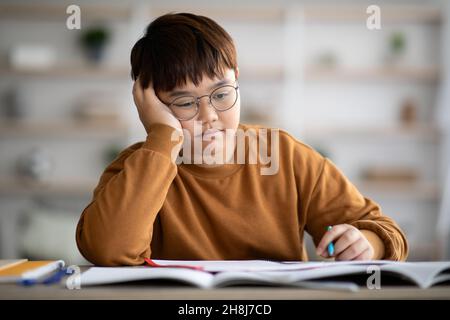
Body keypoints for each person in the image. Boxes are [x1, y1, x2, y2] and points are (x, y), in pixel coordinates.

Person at [76, 13, 408, 266]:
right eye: (185, 102)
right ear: (152, 106)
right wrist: (162, 138)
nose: (209, 116)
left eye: (221, 94)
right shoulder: (136, 169)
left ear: (237, 82)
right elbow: (107, 250)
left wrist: (367, 242)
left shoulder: (285, 156)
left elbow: (386, 230)